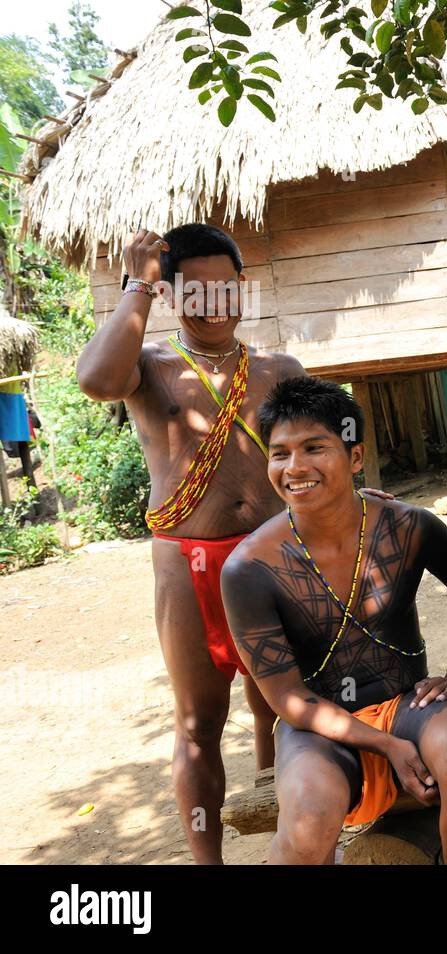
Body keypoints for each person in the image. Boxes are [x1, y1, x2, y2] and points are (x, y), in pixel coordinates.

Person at [76, 224, 304, 863]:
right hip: (187, 562)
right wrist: (137, 285)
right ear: (172, 297)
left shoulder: (280, 371)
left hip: (273, 556)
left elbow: (322, 456)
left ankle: (287, 835)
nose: (215, 303)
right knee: (199, 725)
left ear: (243, 290)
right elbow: (95, 379)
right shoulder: (148, 371)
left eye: (226, 288)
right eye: (194, 291)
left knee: (282, 708)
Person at [221, 376, 447, 864]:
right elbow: (289, 700)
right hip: (317, 727)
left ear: (357, 457)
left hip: (409, 704)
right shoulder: (249, 569)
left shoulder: (410, 528)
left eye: (314, 448)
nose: (294, 467)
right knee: (307, 813)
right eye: (279, 453)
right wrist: (384, 745)